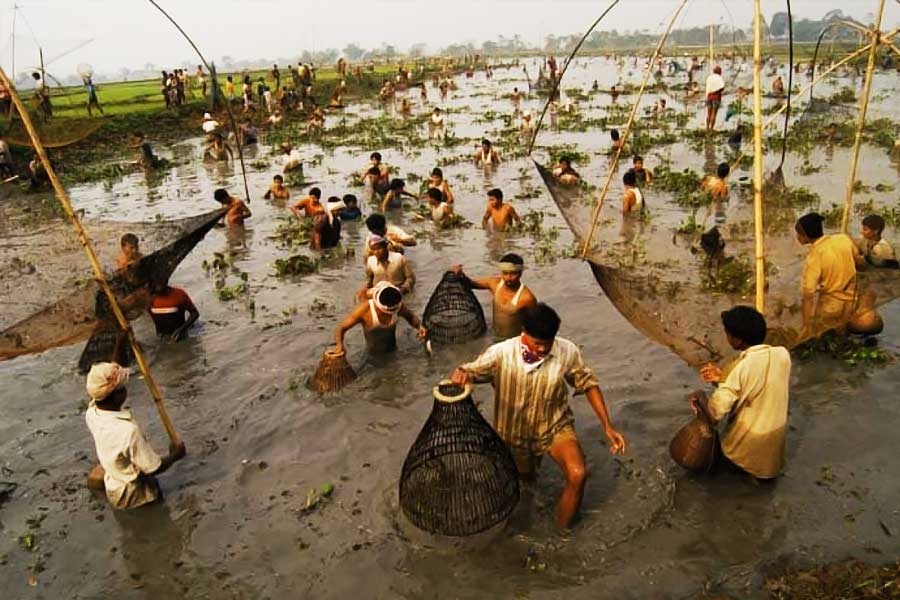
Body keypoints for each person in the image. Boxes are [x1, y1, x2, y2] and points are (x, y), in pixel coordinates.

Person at [451, 303, 626, 528]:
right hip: (514, 433)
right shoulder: (501, 353)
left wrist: (607, 426)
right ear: (524, 333)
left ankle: (563, 536)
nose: (543, 349)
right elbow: (470, 371)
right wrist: (462, 373)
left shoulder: (567, 351)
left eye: (548, 343)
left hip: (554, 427)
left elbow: (588, 384)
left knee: (578, 474)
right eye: (537, 344)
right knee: (524, 486)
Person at [689, 306, 791, 481]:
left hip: (743, 457)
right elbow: (756, 384)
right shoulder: (782, 355)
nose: (727, 337)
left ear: (736, 340)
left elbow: (715, 413)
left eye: (728, 334)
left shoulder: (741, 368)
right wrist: (722, 379)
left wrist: (699, 400)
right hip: (773, 459)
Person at [84, 362, 186, 510]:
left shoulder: (92, 413)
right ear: (117, 395)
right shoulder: (128, 431)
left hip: (113, 484)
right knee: (157, 502)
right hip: (133, 495)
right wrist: (174, 456)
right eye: (123, 387)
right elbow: (153, 468)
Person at [796, 212, 860, 338]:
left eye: (799, 233)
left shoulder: (815, 256)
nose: (797, 237)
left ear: (806, 235)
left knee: (824, 337)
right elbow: (859, 259)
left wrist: (806, 326)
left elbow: (808, 295)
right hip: (852, 299)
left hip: (831, 304)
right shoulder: (843, 239)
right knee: (843, 336)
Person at [452, 253, 537, 338]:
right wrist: (461, 274)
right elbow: (471, 284)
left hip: (513, 340)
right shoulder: (495, 284)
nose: (508, 278)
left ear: (520, 273)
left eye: (513, 273)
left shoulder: (527, 298)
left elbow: (535, 324)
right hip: (494, 336)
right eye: (505, 273)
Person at [334, 281, 427, 355]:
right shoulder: (364, 310)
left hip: (393, 351)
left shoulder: (397, 305)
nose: (390, 314)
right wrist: (339, 345)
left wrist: (419, 327)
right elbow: (341, 328)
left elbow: (410, 317)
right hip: (372, 356)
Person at [705, 66, 725, 131]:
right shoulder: (719, 78)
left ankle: (707, 127)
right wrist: (717, 91)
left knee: (709, 113)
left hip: (709, 96)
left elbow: (707, 88)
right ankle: (711, 128)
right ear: (719, 72)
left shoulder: (709, 77)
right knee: (714, 113)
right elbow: (722, 87)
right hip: (716, 96)